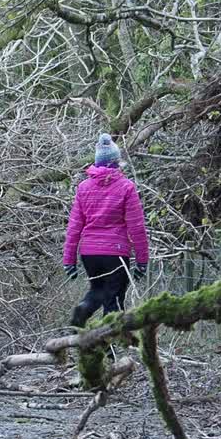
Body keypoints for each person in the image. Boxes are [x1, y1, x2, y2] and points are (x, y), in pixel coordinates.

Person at [62, 133, 150, 328]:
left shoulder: (83, 188)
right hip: (116, 253)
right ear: (116, 162)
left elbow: (74, 227)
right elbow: (137, 228)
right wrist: (142, 261)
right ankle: (109, 348)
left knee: (99, 291)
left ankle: (84, 308)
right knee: (114, 300)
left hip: (89, 253)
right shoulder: (127, 188)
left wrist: (69, 260)